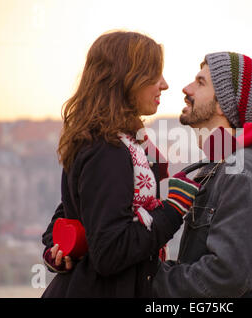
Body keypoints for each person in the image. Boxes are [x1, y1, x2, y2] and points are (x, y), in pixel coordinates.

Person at [40, 30, 200, 298]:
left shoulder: (118, 141)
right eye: (154, 75)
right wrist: (172, 209)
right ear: (126, 79)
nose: (164, 84)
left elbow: (72, 214)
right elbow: (109, 253)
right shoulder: (106, 148)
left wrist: (58, 246)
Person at [152, 52, 252, 297]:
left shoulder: (243, 171)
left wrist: (147, 280)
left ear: (223, 105)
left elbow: (224, 277)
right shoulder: (218, 165)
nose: (186, 89)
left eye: (200, 82)